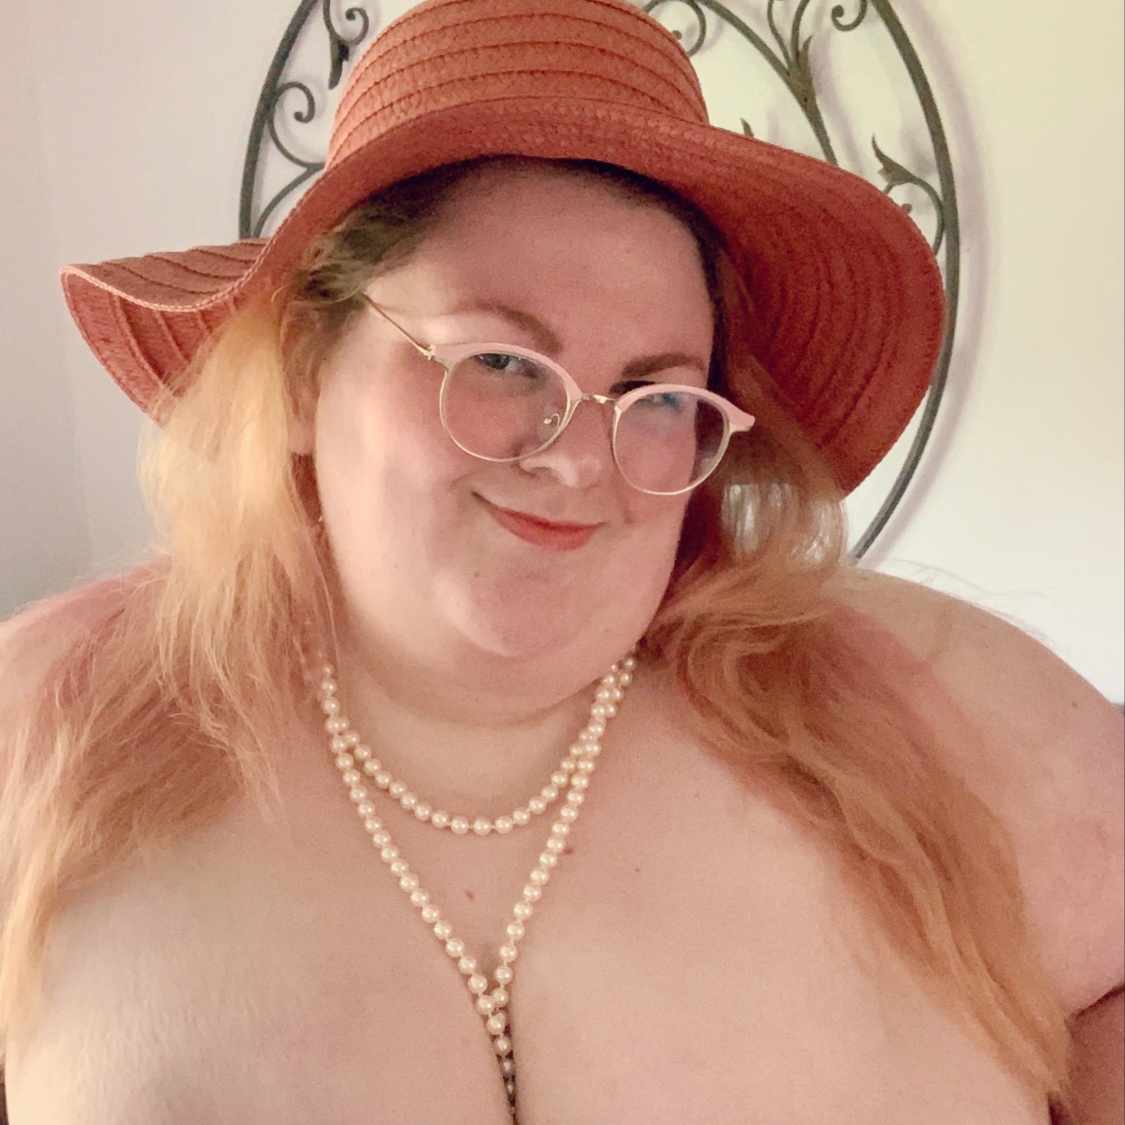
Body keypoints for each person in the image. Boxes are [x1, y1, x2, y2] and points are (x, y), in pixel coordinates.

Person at [0, 0, 1120, 1121]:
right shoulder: (46, 733)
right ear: (302, 372)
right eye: (498, 360)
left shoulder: (921, 694)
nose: (580, 457)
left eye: (656, 395)